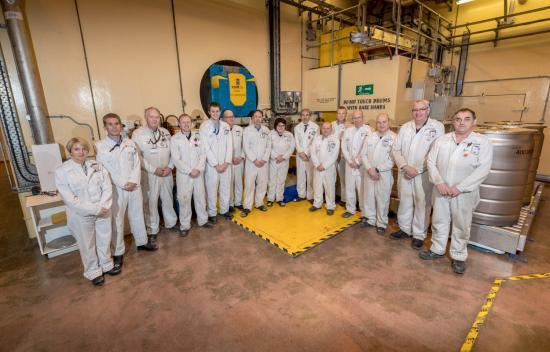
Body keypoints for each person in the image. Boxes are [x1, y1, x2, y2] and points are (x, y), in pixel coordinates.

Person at [420, 108, 493, 274]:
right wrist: (439, 183)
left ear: (474, 122)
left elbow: (483, 169)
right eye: (458, 119)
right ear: (453, 121)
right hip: (441, 189)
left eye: (467, 119)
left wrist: (460, 188)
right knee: (439, 221)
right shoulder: (443, 140)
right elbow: (431, 162)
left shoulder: (482, 143)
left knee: (461, 225)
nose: (462, 122)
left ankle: (458, 256)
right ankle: (437, 249)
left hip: (464, 193)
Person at [95, 113, 157, 274]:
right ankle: (118, 253)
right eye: (110, 124)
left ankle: (142, 241)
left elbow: (137, 164)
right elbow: (105, 169)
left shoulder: (130, 143)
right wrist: (123, 183)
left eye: (117, 123)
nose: (114, 127)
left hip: (134, 185)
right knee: (117, 221)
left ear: (121, 125)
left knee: (137, 215)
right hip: (116, 188)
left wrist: (134, 180)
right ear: (105, 127)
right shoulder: (100, 146)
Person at [55, 138, 114, 286]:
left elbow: (107, 186)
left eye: (83, 148)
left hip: (103, 210)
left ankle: (106, 264)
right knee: (87, 244)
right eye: (76, 149)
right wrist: (96, 209)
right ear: (70, 151)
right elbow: (70, 199)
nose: (81, 152)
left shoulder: (96, 165)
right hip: (81, 214)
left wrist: (104, 206)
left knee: (104, 239)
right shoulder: (62, 171)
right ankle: (93, 271)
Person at [391, 100, 445, 250]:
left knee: (423, 204)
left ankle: (419, 235)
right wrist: (404, 166)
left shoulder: (437, 127)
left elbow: (436, 152)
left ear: (428, 110)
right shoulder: (405, 127)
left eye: (422, 109)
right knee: (405, 201)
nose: (418, 112)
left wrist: (418, 169)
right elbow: (396, 150)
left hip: (423, 174)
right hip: (405, 171)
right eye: (415, 110)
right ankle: (404, 228)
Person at [132, 107, 178, 242]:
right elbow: (137, 157)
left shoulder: (165, 133)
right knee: (150, 202)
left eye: (157, 117)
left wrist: (170, 167)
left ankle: (171, 223)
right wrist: (153, 170)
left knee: (168, 199)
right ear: (146, 118)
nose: (154, 119)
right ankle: (152, 229)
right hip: (149, 174)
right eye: (151, 116)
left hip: (166, 172)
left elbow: (173, 152)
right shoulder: (138, 134)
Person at [171, 114, 212, 236]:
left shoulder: (198, 137)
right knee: (184, 200)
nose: (186, 124)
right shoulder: (175, 139)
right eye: (183, 122)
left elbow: (203, 154)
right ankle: (184, 225)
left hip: (198, 173)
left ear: (191, 123)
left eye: (188, 122)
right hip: (184, 175)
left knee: (200, 197)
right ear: (179, 124)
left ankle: (203, 220)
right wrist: (190, 171)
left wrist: (198, 169)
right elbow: (176, 159)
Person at [361, 113, 397, 234]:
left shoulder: (394, 138)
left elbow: (392, 159)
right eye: (379, 122)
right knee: (369, 196)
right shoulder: (370, 136)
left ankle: (381, 223)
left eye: (384, 122)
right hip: (369, 172)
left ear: (389, 123)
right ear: (376, 124)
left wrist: (377, 169)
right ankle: (370, 219)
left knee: (383, 199)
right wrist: (370, 169)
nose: (381, 124)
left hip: (384, 174)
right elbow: (363, 154)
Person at [199, 102, 233, 222]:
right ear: (209, 112)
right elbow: (205, 147)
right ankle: (212, 213)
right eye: (212, 111)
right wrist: (215, 164)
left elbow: (230, 145)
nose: (215, 113)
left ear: (220, 112)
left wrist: (226, 162)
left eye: (217, 111)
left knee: (225, 188)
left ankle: (224, 210)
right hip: (212, 166)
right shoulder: (204, 127)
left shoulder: (226, 126)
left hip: (225, 164)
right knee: (212, 189)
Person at [341, 109, 371, 218]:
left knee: (362, 189)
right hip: (349, 164)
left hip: (362, 165)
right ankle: (350, 209)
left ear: (363, 118)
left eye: (358, 117)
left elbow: (367, 148)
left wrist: (358, 161)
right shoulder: (348, 131)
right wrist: (350, 161)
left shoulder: (368, 131)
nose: (356, 120)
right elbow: (344, 147)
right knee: (349, 187)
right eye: (354, 118)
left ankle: (364, 212)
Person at [241, 110, 271, 217]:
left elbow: (269, 146)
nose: (258, 119)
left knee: (262, 184)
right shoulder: (247, 130)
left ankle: (259, 203)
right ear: (252, 118)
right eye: (256, 117)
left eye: (260, 117)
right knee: (249, 184)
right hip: (251, 163)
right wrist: (254, 159)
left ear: (262, 118)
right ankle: (247, 207)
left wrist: (264, 159)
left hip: (263, 162)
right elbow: (246, 147)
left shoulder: (266, 130)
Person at [309, 122, 340, 215]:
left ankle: (330, 206)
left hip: (329, 168)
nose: (326, 130)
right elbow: (312, 152)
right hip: (317, 167)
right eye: (324, 128)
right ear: (321, 129)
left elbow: (334, 156)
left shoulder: (335, 140)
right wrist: (317, 164)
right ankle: (317, 203)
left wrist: (324, 165)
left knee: (329, 187)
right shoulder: (317, 139)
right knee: (317, 186)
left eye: (328, 128)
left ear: (331, 129)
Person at [267, 118, 295, 207]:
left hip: (284, 161)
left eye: (283, 125)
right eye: (279, 125)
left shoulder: (289, 135)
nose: (281, 127)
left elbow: (291, 148)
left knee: (281, 180)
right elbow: (268, 147)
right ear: (275, 126)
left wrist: (283, 157)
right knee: (272, 181)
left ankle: (279, 198)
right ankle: (270, 199)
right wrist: (276, 157)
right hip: (273, 161)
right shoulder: (270, 134)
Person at [294, 108, 319, 201]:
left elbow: (315, 142)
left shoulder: (315, 127)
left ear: (310, 116)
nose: (305, 117)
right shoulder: (297, 127)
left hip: (310, 155)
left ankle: (310, 195)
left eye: (307, 115)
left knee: (310, 176)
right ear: (300, 116)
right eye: (303, 115)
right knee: (300, 175)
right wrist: (301, 152)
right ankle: (301, 195)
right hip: (300, 155)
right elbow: (296, 141)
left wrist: (307, 153)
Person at [223, 109, 245, 212]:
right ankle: (230, 204)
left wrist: (241, 157)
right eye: (228, 117)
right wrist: (228, 158)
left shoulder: (240, 129)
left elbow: (244, 145)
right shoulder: (222, 130)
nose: (231, 118)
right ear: (223, 119)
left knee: (239, 182)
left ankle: (238, 202)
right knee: (229, 183)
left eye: (232, 116)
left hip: (239, 160)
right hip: (228, 162)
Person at [332, 106, 348, 205]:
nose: (341, 115)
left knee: (343, 179)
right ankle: (331, 198)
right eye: (339, 113)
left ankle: (344, 199)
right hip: (332, 156)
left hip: (342, 156)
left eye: (343, 113)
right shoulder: (331, 125)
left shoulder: (349, 126)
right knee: (331, 178)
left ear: (346, 115)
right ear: (336, 114)